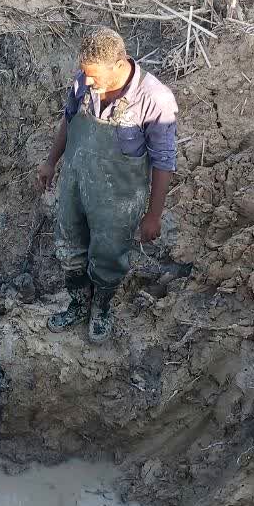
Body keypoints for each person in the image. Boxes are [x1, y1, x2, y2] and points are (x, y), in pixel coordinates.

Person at [35, 26, 179, 343]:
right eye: (84, 74)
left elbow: (164, 161)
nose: (87, 82)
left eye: (94, 76)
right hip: (75, 183)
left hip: (118, 198)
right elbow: (68, 120)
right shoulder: (83, 81)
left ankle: (101, 308)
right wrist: (50, 161)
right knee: (69, 247)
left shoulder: (155, 99)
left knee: (109, 256)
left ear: (118, 64)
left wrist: (153, 215)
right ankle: (77, 304)